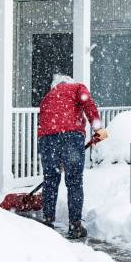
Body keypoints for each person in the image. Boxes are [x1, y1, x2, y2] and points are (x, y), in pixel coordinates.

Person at [38, 74, 108, 239]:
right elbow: (89, 105)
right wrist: (98, 129)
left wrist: (55, 154)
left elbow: (43, 121)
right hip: (71, 137)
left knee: (50, 181)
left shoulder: (48, 96)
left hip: (47, 139)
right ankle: (75, 226)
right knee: (74, 182)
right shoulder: (77, 88)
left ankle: (48, 221)